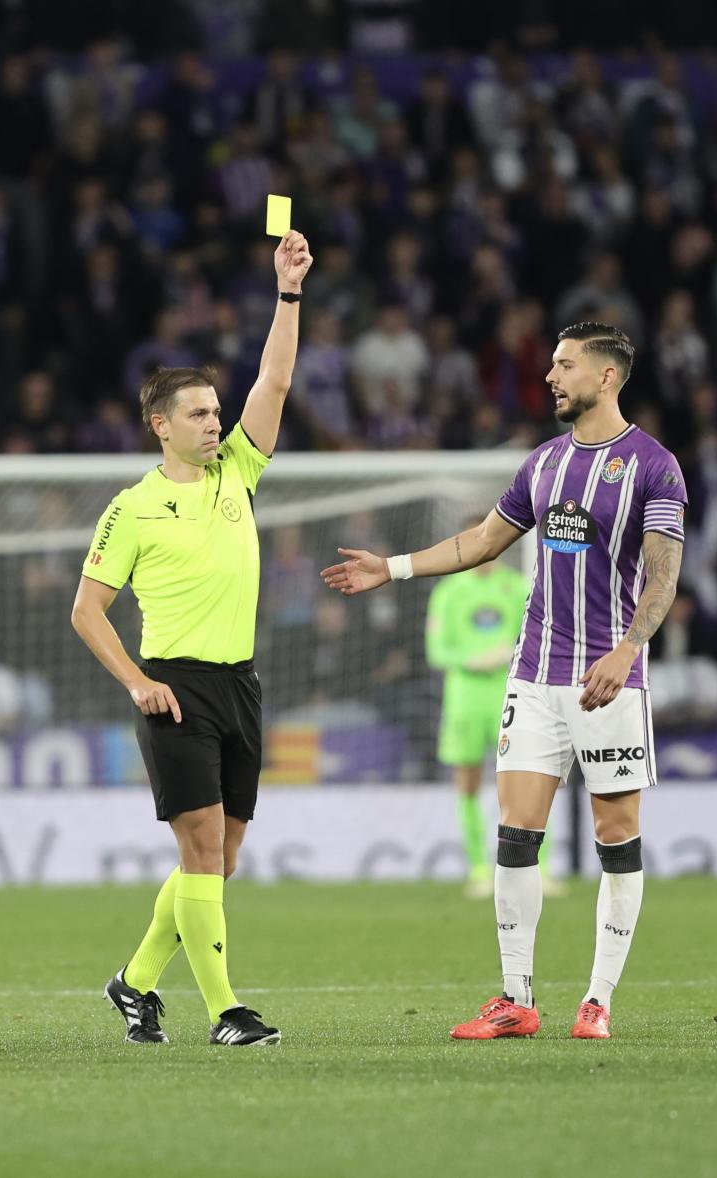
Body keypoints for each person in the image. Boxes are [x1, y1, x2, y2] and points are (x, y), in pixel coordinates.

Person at [322, 323, 684, 1042]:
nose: (550, 376)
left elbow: (663, 575)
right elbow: (483, 541)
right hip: (535, 676)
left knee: (616, 839)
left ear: (606, 377)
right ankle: (516, 998)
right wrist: (391, 567)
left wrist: (626, 651)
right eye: (551, 363)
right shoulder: (543, 464)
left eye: (565, 364)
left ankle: (598, 1000)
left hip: (608, 681)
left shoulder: (653, 465)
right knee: (516, 836)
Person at [71, 231, 313, 1047]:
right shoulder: (132, 506)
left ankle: (134, 983)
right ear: (159, 426)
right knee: (203, 847)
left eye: (218, 411)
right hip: (173, 684)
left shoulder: (239, 471)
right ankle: (225, 1012)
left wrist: (288, 292)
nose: (217, 423)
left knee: (224, 855)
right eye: (200, 414)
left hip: (239, 683)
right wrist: (136, 681)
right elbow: (86, 608)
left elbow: (276, 377)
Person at [424, 531, 533, 899]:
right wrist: (473, 659)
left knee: (525, 782)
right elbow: (436, 651)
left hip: (511, 693)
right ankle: (479, 868)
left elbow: (537, 638)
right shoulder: (448, 592)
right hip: (465, 697)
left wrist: (511, 652)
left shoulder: (517, 586)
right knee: (468, 782)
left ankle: (538, 869)